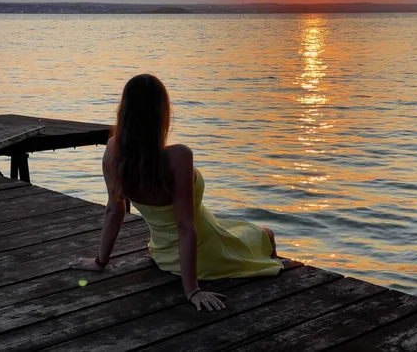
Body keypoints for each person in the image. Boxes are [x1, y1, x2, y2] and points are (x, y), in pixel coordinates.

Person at [70, 74, 283, 311]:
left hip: (164, 254)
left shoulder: (113, 151)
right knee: (265, 233)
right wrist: (192, 289)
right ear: (163, 113)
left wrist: (101, 262)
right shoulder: (178, 156)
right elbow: (185, 226)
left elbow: (114, 210)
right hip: (203, 252)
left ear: (125, 111)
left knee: (233, 227)